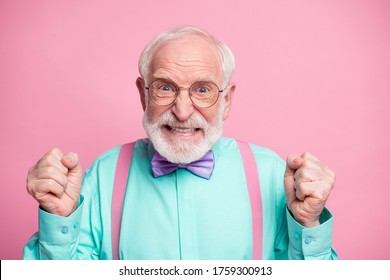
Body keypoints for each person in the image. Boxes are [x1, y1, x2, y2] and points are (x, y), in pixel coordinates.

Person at [24, 25, 338, 260]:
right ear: (142, 94)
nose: (183, 110)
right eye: (165, 88)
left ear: (226, 100)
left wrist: (308, 223)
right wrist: (58, 220)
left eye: (202, 89)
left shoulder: (271, 175)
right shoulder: (102, 176)